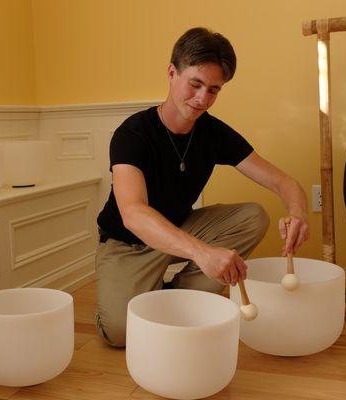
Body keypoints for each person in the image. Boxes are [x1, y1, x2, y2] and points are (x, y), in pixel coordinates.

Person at [95, 27, 309, 347]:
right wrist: (202, 252)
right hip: (129, 243)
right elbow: (133, 214)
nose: (202, 99)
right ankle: (138, 299)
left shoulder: (213, 133)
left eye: (213, 90)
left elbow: (283, 181)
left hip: (178, 228)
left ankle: (174, 296)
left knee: (254, 216)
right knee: (120, 333)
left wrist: (298, 213)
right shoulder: (133, 134)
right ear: (172, 72)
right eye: (195, 84)